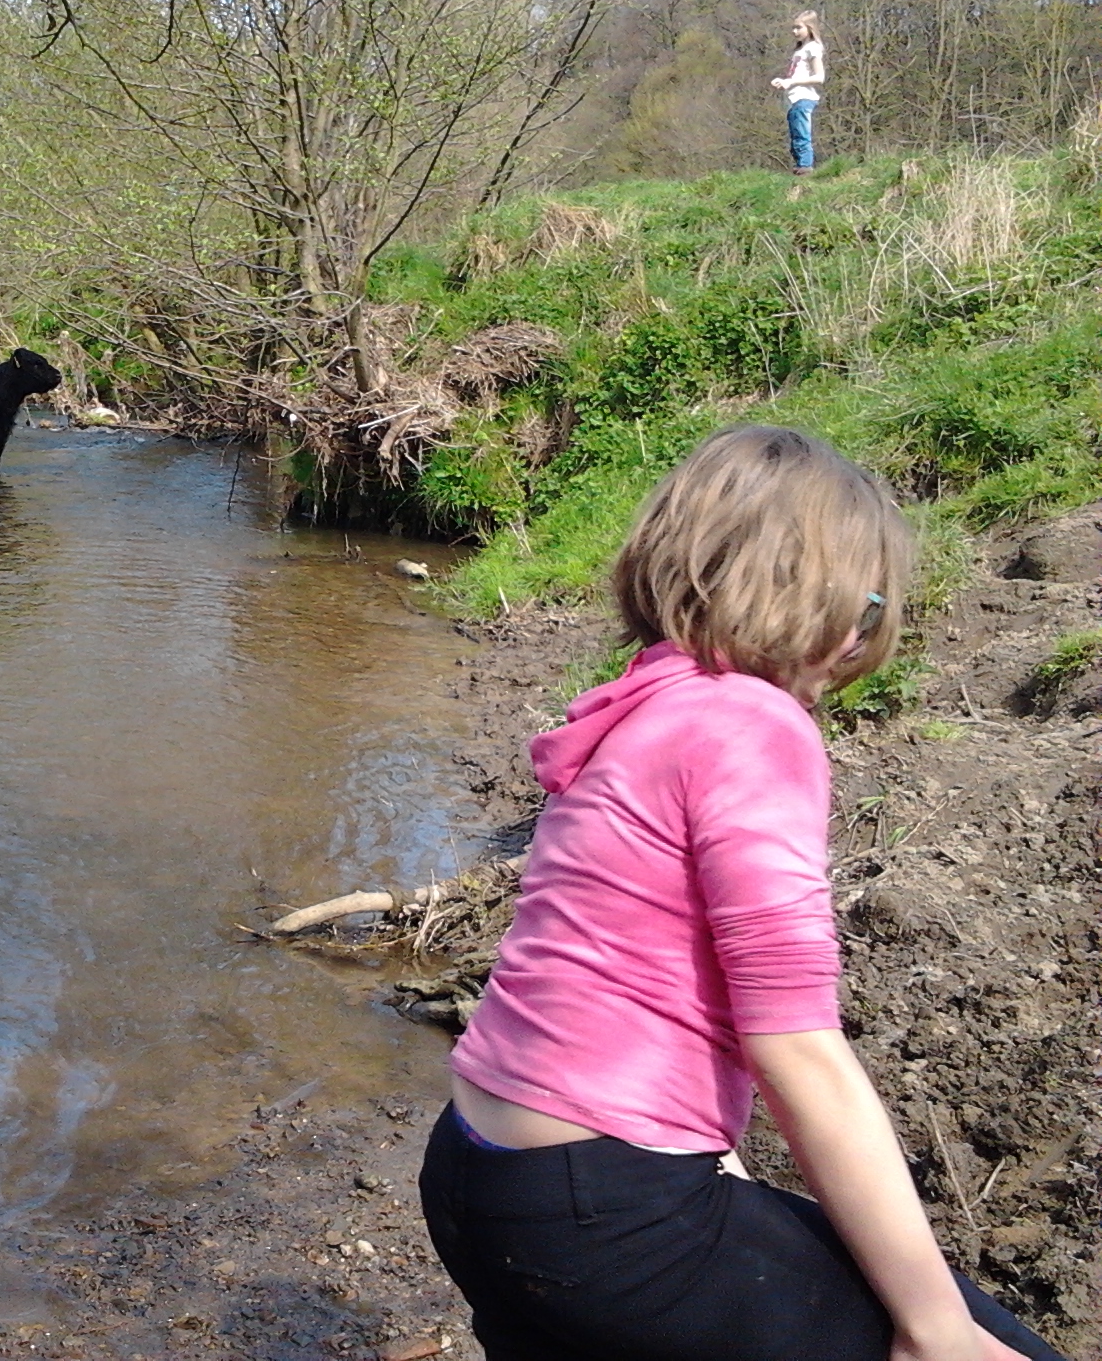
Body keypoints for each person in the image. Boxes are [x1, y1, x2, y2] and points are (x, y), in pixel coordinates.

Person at [420, 426, 1065, 1361]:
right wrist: (934, 1331)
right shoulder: (753, 724)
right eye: (866, 600)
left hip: (476, 1174)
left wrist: (711, 1147)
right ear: (812, 597)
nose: (861, 637)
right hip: (603, 1213)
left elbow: (618, 960)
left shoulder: (639, 703)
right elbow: (796, 1045)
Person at [771, 11, 826, 175]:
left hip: (804, 98)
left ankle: (805, 168)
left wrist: (791, 82)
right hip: (793, 99)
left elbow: (819, 77)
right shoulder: (799, 50)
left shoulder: (813, 48)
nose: (794, 32)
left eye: (798, 28)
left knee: (802, 135)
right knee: (795, 137)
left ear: (810, 28)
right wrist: (783, 81)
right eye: (793, 28)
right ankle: (798, 167)